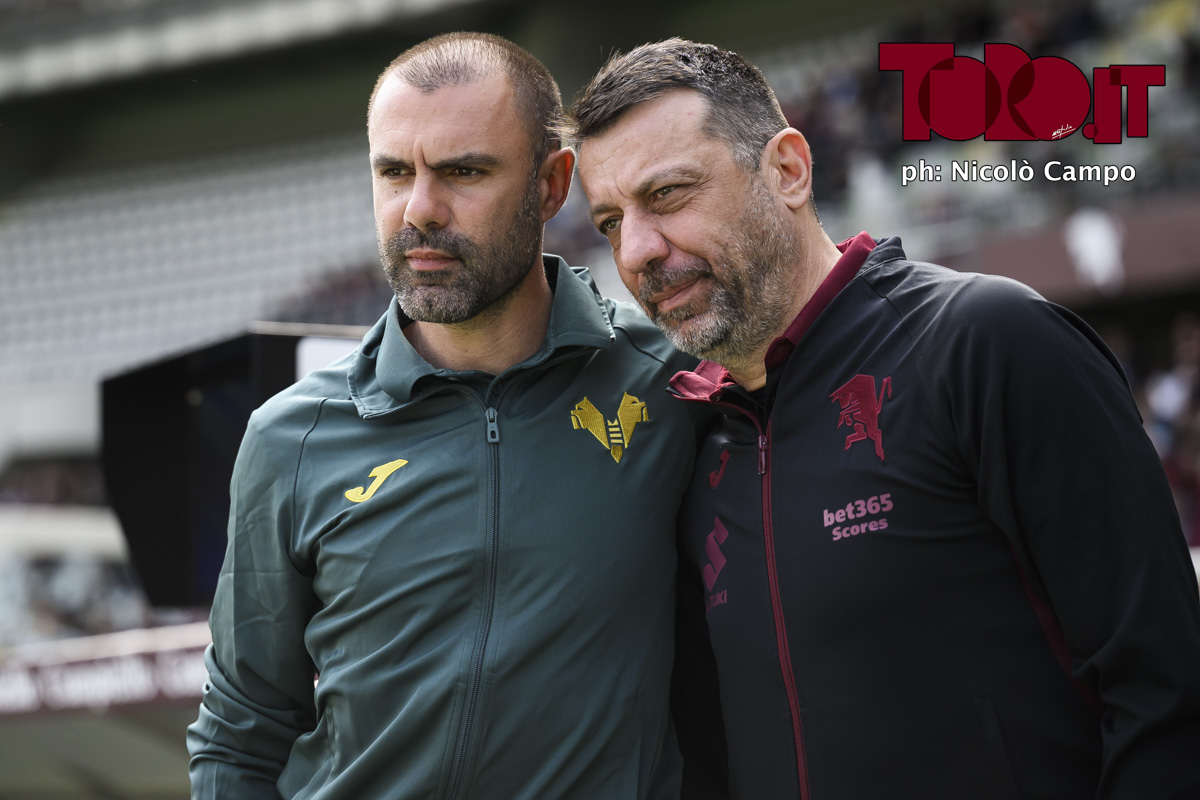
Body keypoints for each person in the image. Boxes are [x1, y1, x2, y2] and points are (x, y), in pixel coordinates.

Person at [570, 37, 1200, 800]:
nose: (637, 250)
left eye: (669, 194)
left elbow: (1166, 692)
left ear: (788, 170)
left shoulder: (986, 342)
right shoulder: (690, 440)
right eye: (610, 221)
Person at [186, 32, 706, 799]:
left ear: (551, 185)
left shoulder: (672, 387)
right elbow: (241, 729)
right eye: (395, 172)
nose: (420, 210)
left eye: (464, 172)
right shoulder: (288, 438)